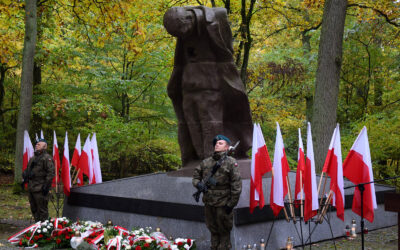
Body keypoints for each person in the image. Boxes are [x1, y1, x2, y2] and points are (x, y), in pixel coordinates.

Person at [163, 6, 253, 166]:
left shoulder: (216, 19)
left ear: (188, 20)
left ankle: (213, 163)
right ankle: (200, 162)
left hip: (209, 88)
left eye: (182, 33)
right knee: (192, 128)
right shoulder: (183, 29)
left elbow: (227, 51)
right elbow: (180, 62)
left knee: (210, 126)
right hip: (187, 89)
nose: (182, 37)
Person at [192, 135, 242, 250]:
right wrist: (198, 184)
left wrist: (231, 204)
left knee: (224, 232)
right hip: (209, 203)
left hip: (223, 203)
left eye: (220, 143)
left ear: (227, 147)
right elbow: (195, 177)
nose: (217, 144)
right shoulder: (206, 162)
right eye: (216, 143)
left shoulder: (231, 162)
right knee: (212, 230)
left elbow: (236, 185)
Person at [22, 139, 55, 222]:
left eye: (39, 144)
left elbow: (50, 173)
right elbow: (27, 169)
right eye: (36, 144)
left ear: (45, 146)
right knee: (34, 209)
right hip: (32, 187)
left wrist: (46, 187)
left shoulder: (47, 158)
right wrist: (25, 174)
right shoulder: (33, 158)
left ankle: (43, 228)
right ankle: (37, 226)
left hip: (40, 188)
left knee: (42, 210)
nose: (36, 145)